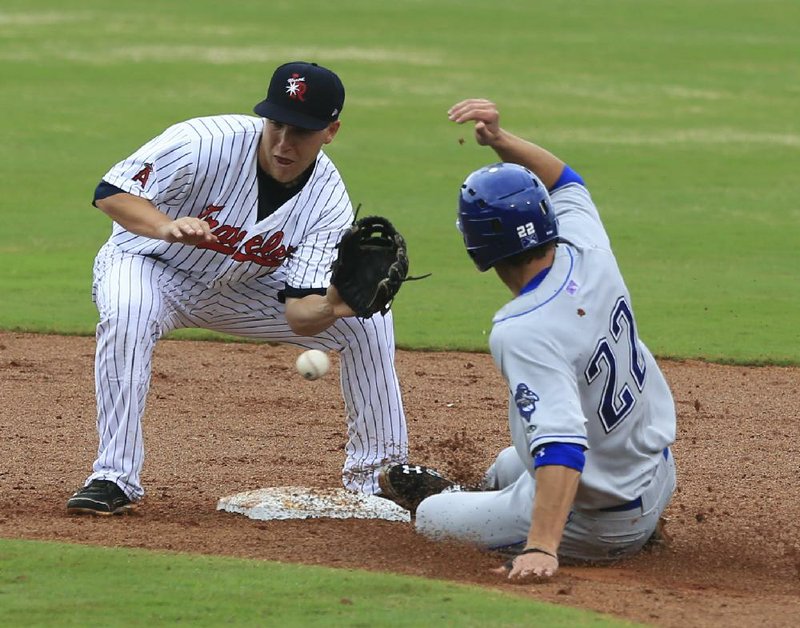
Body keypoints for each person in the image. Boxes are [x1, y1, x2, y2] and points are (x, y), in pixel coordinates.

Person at [66, 61, 409, 516]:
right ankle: (113, 476)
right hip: (149, 266)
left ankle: (379, 475)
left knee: (368, 323)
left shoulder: (327, 202)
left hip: (242, 290)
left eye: (302, 131)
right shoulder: (202, 142)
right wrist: (165, 226)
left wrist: (337, 304)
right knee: (128, 312)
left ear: (331, 131)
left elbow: (300, 315)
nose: (284, 143)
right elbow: (111, 192)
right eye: (277, 125)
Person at [378, 98, 677, 582]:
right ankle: (488, 498)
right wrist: (501, 140)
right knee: (507, 463)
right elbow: (567, 180)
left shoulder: (523, 328)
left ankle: (459, 505)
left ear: (478, 248)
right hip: (654, 475)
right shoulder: (585, 245)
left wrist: (541, 548)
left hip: (604, 523)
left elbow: (563, 443)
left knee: (433, 520)